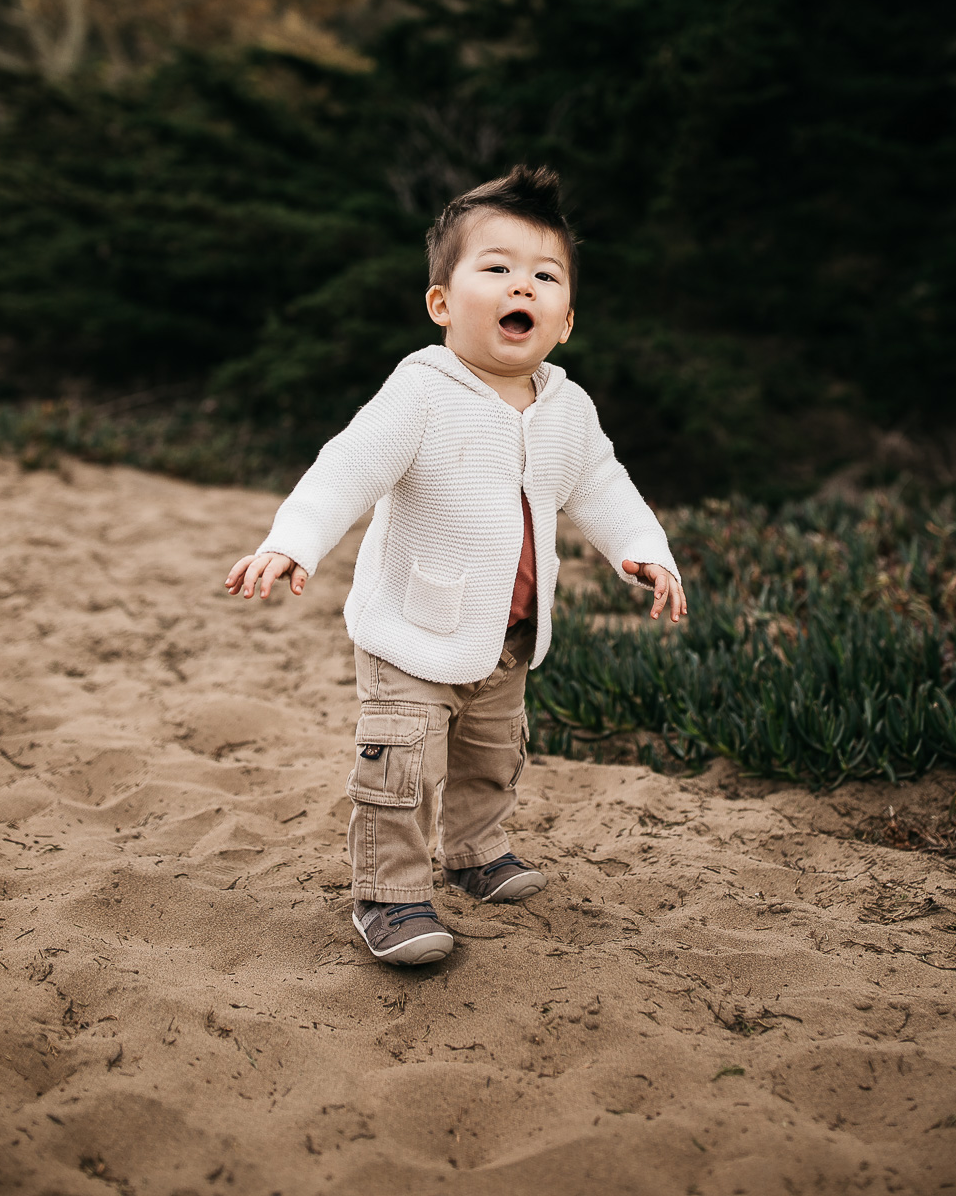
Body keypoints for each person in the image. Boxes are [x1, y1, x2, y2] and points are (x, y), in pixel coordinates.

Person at [225, 165, 686, 966]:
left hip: (508, 635)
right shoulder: (422, 393)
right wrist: (290, 541)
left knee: (490, 756)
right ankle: (391, 896)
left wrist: (644, 552)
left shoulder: (567, 407)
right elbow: (347, 469)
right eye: (498, 268)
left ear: (566, 320)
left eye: (545, 276)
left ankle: (475, 854)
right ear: (443, 303)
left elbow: (603, 485)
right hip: (411, 631)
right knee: (403, 767)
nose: (524, 285)